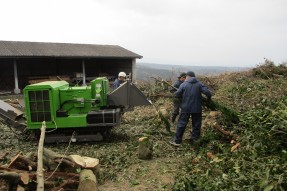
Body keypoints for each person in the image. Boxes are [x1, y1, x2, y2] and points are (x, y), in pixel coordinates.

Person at [169, 71, 212, 147]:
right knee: (196, 125)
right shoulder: (199, 84)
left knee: (182, 124)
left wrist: (179, 96)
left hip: (186, 108)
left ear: (188, 77)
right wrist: (208, 98)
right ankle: (194, 140)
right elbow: (207, 92)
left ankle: (177, 141)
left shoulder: (184, 84)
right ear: (194, 77)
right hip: (197, 108)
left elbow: (177, 94)